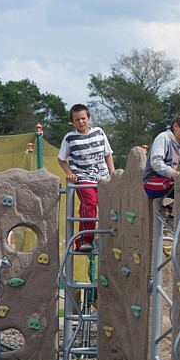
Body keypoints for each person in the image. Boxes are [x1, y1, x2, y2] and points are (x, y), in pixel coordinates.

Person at [58, 104, 115, 252]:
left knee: (109, 206)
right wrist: (70, 172)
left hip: (102, 177)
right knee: (89, 204)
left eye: (83, 118)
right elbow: (61, 159)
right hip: (83, 177)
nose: (81, 122)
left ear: (89, 118)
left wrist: (112, 173)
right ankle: (84, 240)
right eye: (77, 119)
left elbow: (107, 154)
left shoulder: (99, 132)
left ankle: (111, 238)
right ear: (73, 122)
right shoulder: (70, 138)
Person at [142, 113, 180, 226]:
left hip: (167, 180)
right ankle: (169, 213)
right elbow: (155, 162)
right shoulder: (164, 138)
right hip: (152, 181)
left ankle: (170, 210)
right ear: (175, 126)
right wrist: (174, 174)